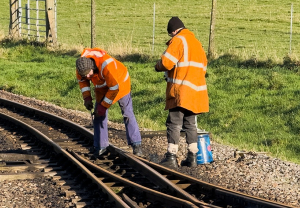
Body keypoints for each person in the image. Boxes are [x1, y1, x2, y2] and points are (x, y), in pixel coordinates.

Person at [154, 16, 209, 168]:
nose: (171, 37)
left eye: (170, 34)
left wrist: (157, 66)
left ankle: (171, 156)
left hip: (181, 91)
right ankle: (192, 156)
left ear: (173, 31)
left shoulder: (179, 40)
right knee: (191, 124)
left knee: (174, 123)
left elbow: (166, 62)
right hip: (196, 92)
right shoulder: (197, 43)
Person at [76, 48, 143, 157]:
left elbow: (114, 88)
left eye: (89, 74)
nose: (87, 77)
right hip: (102, 87)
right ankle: (100, 147)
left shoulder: (106, 65)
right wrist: (87, 98)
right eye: (85, 75)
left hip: (120, 84)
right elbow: (83, 83)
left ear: (92, 67)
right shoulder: (81, 68)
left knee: (127, 113)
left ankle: (136, 145)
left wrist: (103, 106)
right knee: (98, 116)